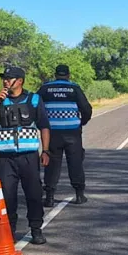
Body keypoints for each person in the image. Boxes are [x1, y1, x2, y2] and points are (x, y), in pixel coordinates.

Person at [0, 65, 51, 245]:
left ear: (19, 81)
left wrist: (46, 150)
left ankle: (36, 229)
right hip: (5, 159)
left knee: (34, 194)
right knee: (7, 196)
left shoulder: (34, 99)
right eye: (3, 78)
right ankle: (9, 230)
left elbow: (44, 126)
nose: (5, 81)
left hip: (29, 157)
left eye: (9, 78)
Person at [39, 64, 93, 206]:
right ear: (68, 75)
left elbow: (36, 107)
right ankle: (79, 195)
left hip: (52, 133)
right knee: (75, 162)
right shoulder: (74, 88)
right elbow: (86, 108)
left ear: (55, 74)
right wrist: (82, 122)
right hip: (72, 132)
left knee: (52, 164)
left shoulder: (45, 88)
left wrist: (41, 124)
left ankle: (49, 197)